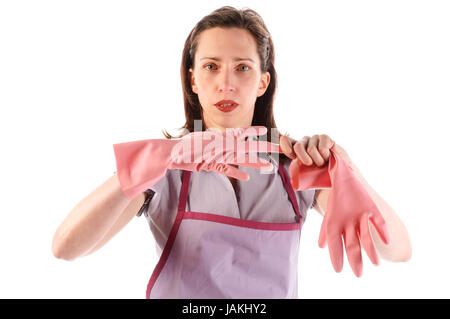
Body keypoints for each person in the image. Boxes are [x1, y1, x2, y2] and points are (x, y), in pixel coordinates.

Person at [52, 6, 411, 298]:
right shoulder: (164, 169)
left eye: (243, 68)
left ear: (262, 82)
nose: (226, 83)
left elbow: (398, 250)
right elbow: (65, 247)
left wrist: (346, 170)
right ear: (193, 80)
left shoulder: (295, 168)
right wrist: (152, 160)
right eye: (211, 67)